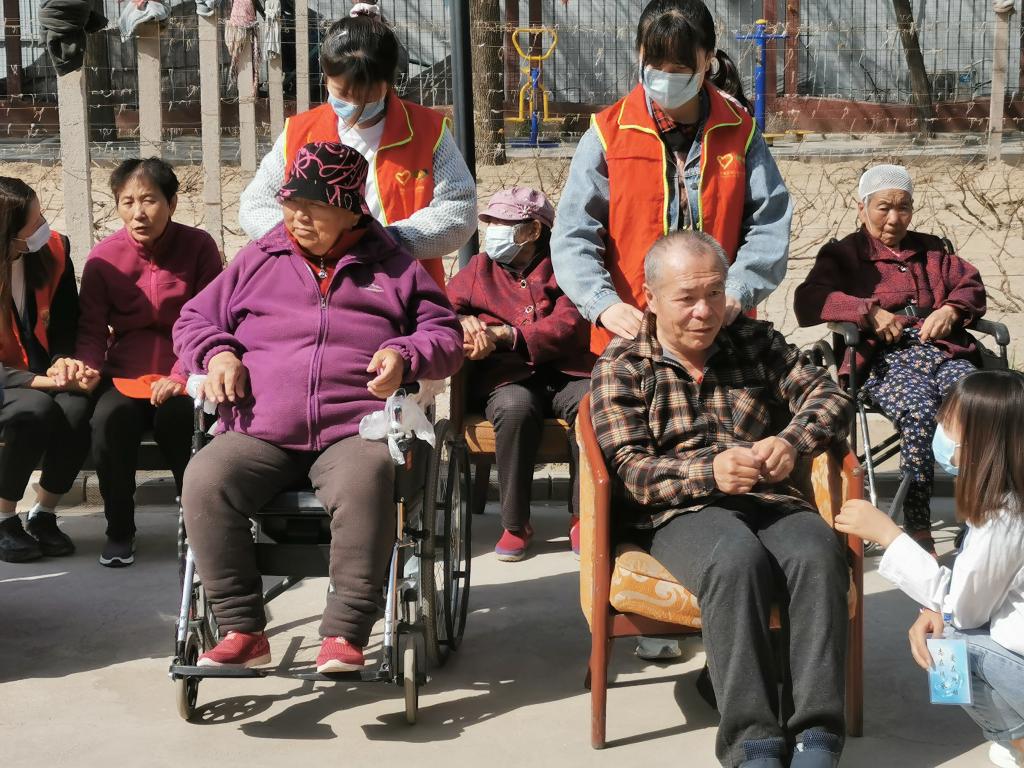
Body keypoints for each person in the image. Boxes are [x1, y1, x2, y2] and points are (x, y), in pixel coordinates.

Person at [173, 142, 463, 672]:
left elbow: (445, 336)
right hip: (258, 428)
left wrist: (404, 355)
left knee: (368, 478)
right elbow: (194, 320)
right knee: (205, 479)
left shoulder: (395, 268)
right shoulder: (259, 259)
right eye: (291, 204)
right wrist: (219, 353)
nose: (298, 218)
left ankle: (345, 633)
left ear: (351, 211)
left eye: (314, 207)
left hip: (353, 430)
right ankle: (241, 629)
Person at [590, 231, 854, 768]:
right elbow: (631, 471)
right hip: (677, 511)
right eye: (686, 298)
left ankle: (817, 735)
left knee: (818, 553)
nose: (704, 311)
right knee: (734, 560)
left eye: (714, 293)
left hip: (771, 498)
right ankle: (753, 742)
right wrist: (709, 472)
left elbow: (829, 396)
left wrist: (791, 441)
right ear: (651, 297)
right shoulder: (623, 364)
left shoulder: (755, 343)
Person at [551, 0, 792, 358]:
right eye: (655, 65)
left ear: (707, 60)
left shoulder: (740, 131)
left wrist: (738, 291)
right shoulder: (606, 134)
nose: (665, 77)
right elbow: (574, 234)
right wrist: (602, 303)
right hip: (630, 339)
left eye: (679, 68)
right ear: (639, 55)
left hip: (718, 332)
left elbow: (769, 224)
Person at [836, 370, 1024, 768]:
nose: (940, 433)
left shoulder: (1005, 518)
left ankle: (1016, 739)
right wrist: (936, 606)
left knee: (948, 640)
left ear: (983, 441)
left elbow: (966, 612)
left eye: (948, 424)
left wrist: (889, 535)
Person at [794, 164, 986, 556]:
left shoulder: (932, 249)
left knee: (980, 405)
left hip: (943, 351)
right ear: (862, 208)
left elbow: (971, 285)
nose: (895, 218)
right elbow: (810, 299)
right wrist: (866, 311)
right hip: (885, 361)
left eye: (904, 207)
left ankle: (980, 518)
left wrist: (951, 309)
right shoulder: (843, 255)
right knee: (918, 412)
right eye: (884, 207)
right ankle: (918, 524)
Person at [238, 11, 475, 290]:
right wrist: (306, 243)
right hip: (313, 286)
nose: (354, 105)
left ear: (389, 82)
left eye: (365, 96)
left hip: (406, 286)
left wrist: (391, 240)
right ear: (326, 77)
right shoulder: (299, 133)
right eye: (342, 93)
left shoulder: (428, 131)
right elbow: (255, 205)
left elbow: (459, 210)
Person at [64, 158, 222, 568]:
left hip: (183, 373)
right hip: (125, 377)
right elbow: (91, 329)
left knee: (180, 422)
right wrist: (88, 366)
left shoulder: (199, 247)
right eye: (127, 201)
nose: (138, 212)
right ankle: (119, 529)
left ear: (171, 202)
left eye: (149, 200)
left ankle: (197, 527)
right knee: (108, 422)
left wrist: (182, 375)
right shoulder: (104, 258)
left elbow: (210, 320)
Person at [446, 187, 594, 561]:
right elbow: (440, 310)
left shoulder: (564, 264)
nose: (493, 229)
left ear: (533, 230)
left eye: (504, 222)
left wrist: (508, 335)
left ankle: (583, 515)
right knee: (514, 408)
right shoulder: (479, 268)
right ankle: (515, 524)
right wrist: (463, 323)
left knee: (592, 403)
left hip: (565, 371)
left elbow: (572, 324)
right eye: (491, 221)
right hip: (506, 376)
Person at [0, 177, 95, 563]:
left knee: (78, 407)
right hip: (9, 382)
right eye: (33, 224)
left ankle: (43, 513)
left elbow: (66, 323)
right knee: (34, 410)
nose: (44, 228)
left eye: (42, 217)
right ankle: (4, 518)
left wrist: (64, 362)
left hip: (42, 372)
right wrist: (41, 381)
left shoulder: (54, 250)